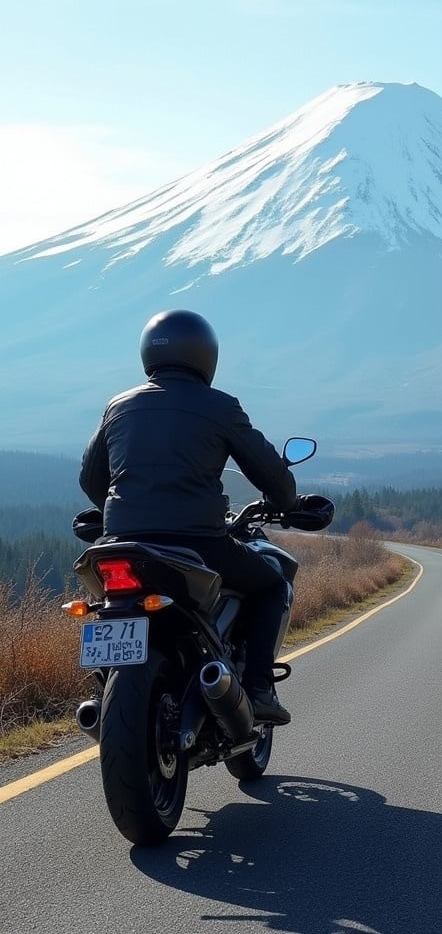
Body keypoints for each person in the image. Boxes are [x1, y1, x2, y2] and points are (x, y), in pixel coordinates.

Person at [79, 309, 297, 725]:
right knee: (271, 584)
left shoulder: (119, 406)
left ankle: (105, 688)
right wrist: (286, 499)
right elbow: (269, 472)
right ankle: (258, 689)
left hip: (121, 542)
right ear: (205, 355)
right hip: (198, 542)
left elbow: (91, 480)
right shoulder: (219, 406)